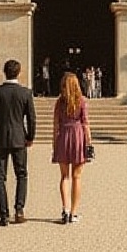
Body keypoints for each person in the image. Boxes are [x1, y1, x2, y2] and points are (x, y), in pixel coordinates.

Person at [0, 58, 37, 226]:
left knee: (0, 177)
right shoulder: (25, 93)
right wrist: (30, 137)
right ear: (19, 73)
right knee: (21, 174)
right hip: (19, 137)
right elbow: (31, 118)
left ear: (4, 72)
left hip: (0, 137)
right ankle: (19, 210)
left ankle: (4, 215)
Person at [51, 71, 92, 223]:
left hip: (63, 136)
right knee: (77, 176)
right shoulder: (81, 101)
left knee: (64, 176)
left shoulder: (59, 102)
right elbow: (85, 123)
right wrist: (89, 143)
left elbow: (55, 125)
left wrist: (54, 144)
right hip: (78, 136)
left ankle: (65, 209)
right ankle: (73, 212)